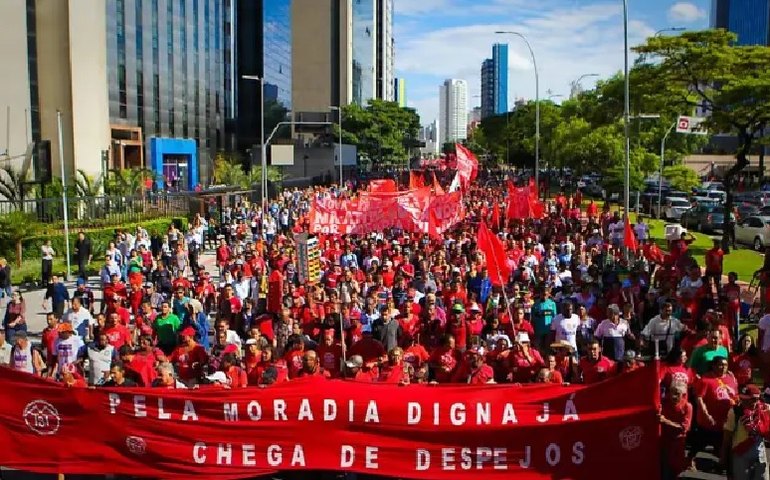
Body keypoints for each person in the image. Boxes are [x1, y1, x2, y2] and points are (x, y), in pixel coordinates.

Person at [691, 356, 738, 466]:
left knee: (723, 444)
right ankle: (690, 460)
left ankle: (723, 463)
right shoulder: (706, 380)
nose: (723, 367)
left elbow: (735, 397)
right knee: (699, 444)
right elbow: (699, 399)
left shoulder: (731, 380)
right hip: (708, 421)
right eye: (720, 365)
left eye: (725, 365)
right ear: (714, 366)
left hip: (725, 422)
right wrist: (707, 415)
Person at [721, 384, 770, 480]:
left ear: (756, 399)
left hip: (760, 455)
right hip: (740, 454)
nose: (744, 402)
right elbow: (727, 436)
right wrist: (723, 455)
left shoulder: (765, 410)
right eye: (742, 399)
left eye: (748, 400)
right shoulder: (735, 411)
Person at [659, 381, 693, 480]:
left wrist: (665, 421)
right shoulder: (664, 402)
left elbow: (684, 428)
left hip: (678, 443)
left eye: (677, 394)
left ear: (683, 395)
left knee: (675, 470)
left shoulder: (687, 407)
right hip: (663, 441)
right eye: (671, 392)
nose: (673, 396)